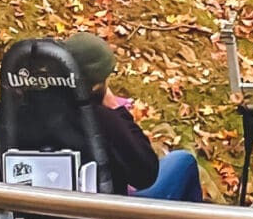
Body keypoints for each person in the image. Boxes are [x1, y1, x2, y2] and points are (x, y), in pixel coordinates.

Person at [63, 33, 203, 202]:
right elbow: (146, 175)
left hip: (42, 213)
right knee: (183, 161)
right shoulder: (103, 120)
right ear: (97, 85)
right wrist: (116, 109)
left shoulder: (30, 113)